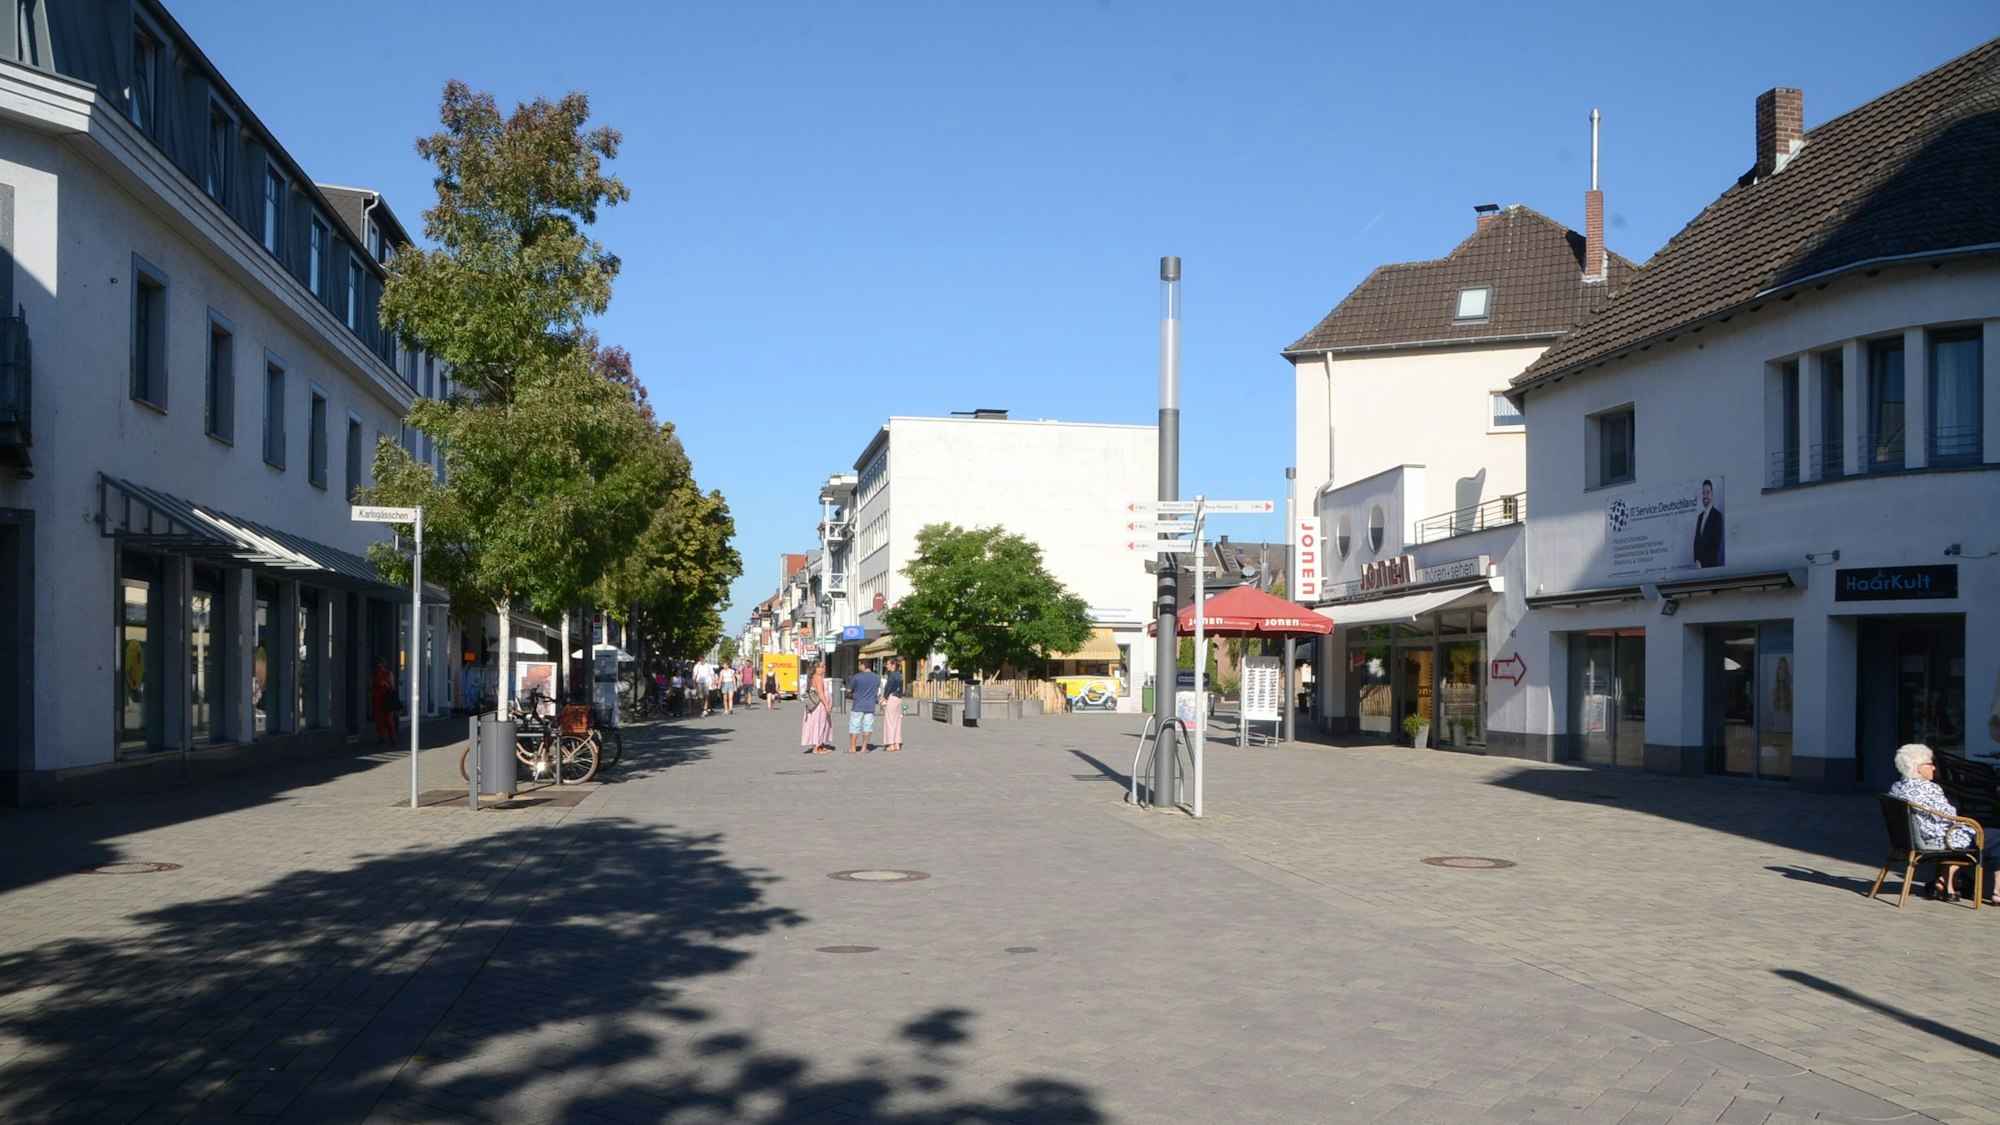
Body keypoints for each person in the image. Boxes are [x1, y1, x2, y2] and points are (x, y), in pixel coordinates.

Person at [1887, 742, 2000, 904]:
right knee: (1996, 838)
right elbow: (1949, 818)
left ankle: (1947, 879)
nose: (1934, 768)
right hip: (1939, 840)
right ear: (1919, 768)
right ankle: (1997, 891)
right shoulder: (1930, 789)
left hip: (1910, 840)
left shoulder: (1897, 787)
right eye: (1931, 764)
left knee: (1985, 837)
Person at [847, 659, 881, 752]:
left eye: (859, 665)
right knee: (868, 727)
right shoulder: (876, 677)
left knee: (854, 726)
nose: (858, 667)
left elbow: (849, 690)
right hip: (870, 705)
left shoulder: (857, 677)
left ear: (863, 665)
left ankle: (852, 747)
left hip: (858, 705)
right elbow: (878, 688)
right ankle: (864, 747)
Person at [800, 661, 833, 753]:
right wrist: (826, 704)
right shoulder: (818, 677)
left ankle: (820, 744)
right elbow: (820, 692)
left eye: (824, 666)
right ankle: (816, 747)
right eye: (822, 666)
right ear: (816, 668)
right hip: (820, 705)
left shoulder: (815, 677)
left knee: (823, 724)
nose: (824, 668)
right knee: (819, 724)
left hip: (819, 705)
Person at [1692, 479, 1724, 568]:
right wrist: (1697, 561)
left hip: (1711, 566)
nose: (1705, 495)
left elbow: (1716, 544)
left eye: (1708, 492)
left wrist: (1704, 563)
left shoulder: (1717, 515)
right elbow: (1696, 542)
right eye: (1703, 493)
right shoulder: (1700, 517)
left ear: (1712, 494)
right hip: (1699, 567)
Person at [880, 659, 905, 752]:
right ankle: (897, 743)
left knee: (890, 722)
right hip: (898, 698)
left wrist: (885, 697)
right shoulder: (899, 675)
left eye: (887, 664)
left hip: (891, 698)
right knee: (897, 722)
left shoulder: (892, 675)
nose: (886, 666)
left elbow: (889, 687)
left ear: (893, 664)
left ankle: (891, 744)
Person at [369, 659, 396, 746]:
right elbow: (370, 687)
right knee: (378, 720)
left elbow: (392, 688)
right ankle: (381, 738)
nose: (379, 668)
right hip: (376, 699)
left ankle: (393, 738)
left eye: (381, 666)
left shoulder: (388, 674)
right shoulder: (374, 674)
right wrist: (375, 685)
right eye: (378, 666)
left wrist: (386, 684)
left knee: (389, 720)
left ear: (384, 665)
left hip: (386, 699)